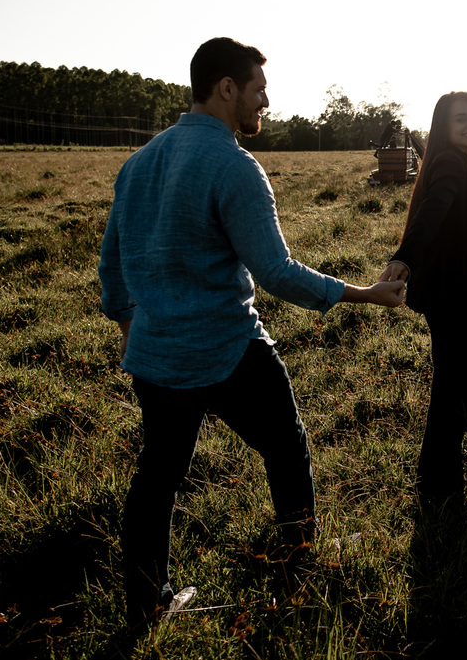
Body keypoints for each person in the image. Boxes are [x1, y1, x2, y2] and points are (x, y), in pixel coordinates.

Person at [98, 37, 405, 634]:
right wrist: (364, 294)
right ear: (226, 88)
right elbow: (274, 273)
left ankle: (146, 607)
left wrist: (134, 330)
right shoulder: (235, 166)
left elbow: (111, 269)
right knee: (286, 451)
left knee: (157, 475)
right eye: (258, 88)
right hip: (229, 349)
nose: (266, 98)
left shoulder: (138, 163)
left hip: (156, 356)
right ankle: (297, 573)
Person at [379, 92, 467, 508]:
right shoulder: (452, 163)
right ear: (445, 128)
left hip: (455, 289)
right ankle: (438, 477)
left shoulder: (462, 162)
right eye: (461, 119)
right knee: (451, 377)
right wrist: (404, 258)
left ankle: (449, 449)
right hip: (451, 292)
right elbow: (431, 213)